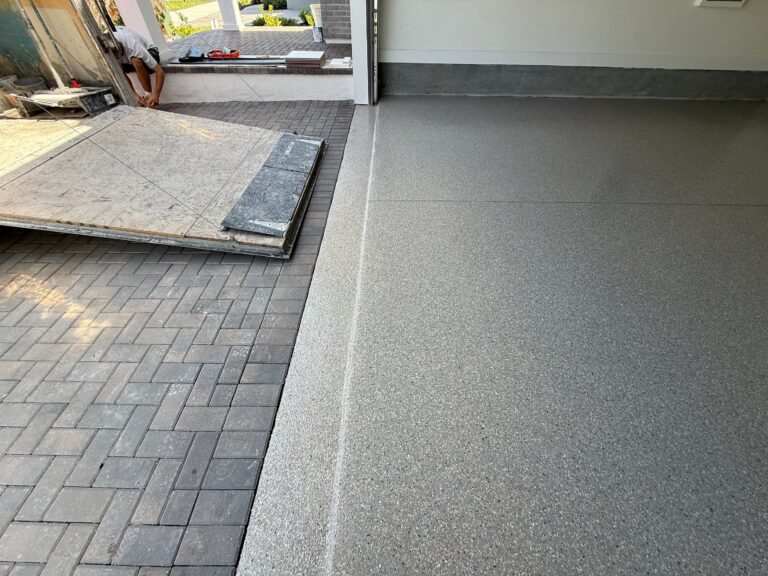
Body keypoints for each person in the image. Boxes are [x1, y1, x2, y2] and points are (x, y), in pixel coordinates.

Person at [114, 26, 165, 108]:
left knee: (136, 60)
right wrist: (134, 95)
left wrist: (156, 95)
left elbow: (160, 71)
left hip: (150, 51)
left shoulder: (134, 46)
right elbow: (121, 74)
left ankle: (148, 95)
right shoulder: (106, 48)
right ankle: (141, 98)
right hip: (127, 59)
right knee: (117, 67)